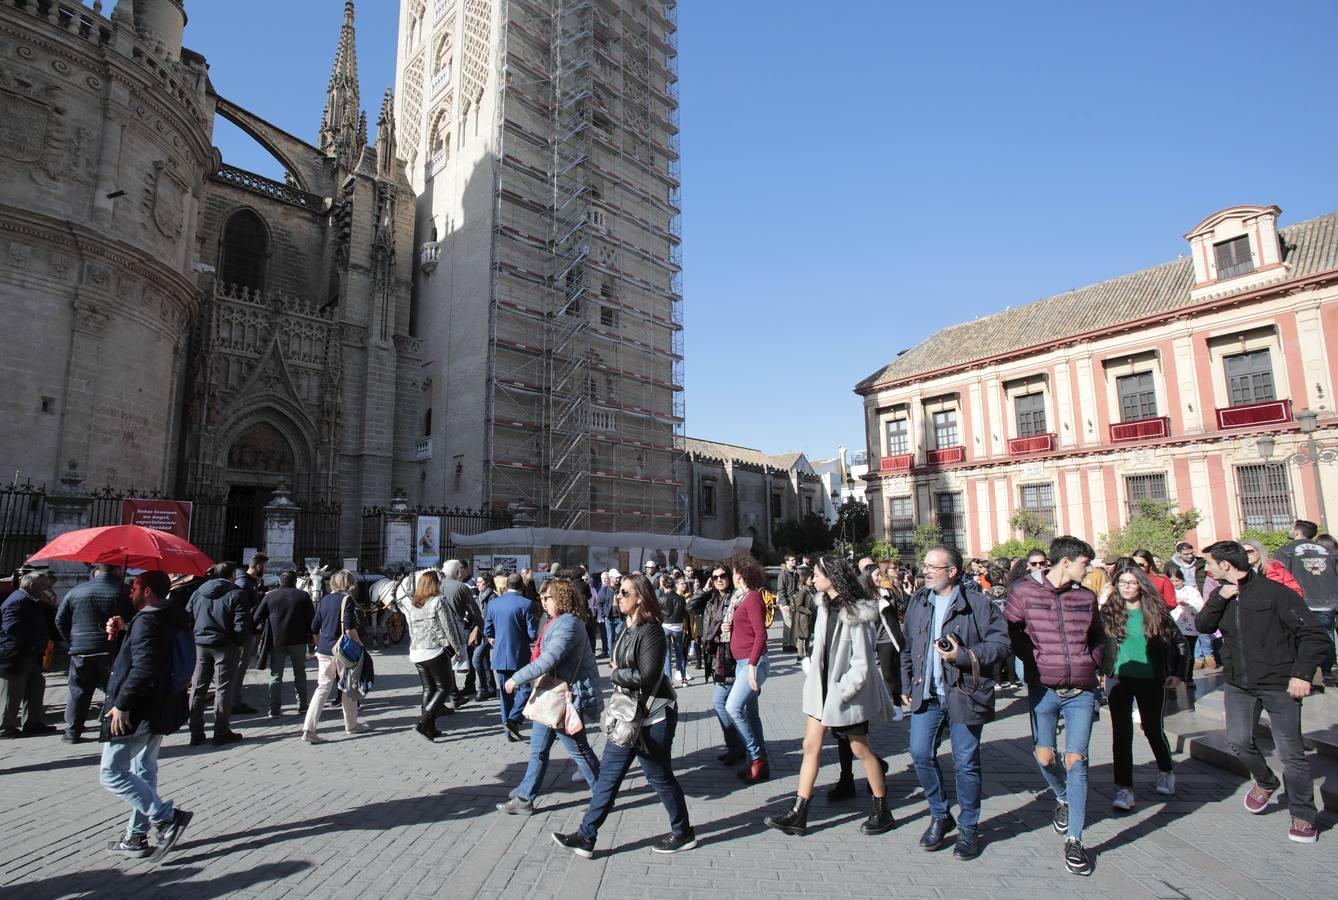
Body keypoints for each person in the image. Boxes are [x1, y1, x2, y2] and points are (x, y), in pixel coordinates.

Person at [552, 572, 696, 858]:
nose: (618, 597)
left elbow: (649, 675)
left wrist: (618, 672)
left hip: (654, 716)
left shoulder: (651, 630)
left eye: (624, 593)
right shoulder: (627, 627)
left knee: (659, 777)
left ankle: (683, 832)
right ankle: (586, 836)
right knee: (608, 776)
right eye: (618, 592)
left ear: (640, 597)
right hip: (627, 716)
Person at [1196, 540, 1327, 844]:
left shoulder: (1276, 594)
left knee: (1291, 753)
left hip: (1280, 684)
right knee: (1239, 740)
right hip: (1239, 684)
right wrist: (1219, 599)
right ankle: (1266, 781)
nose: (1207, 569)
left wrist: (1301, 674)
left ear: (1225, 565)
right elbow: (1204, 625)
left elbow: (1314, 635)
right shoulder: (1222, 593)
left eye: (1210, 564)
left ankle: (1304, 815)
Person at [765, 555, 897, 837]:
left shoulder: (856, 613)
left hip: (845, 695)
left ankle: (881, 808)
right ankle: (798, 812)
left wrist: (841, 692)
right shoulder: (824, 607)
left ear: (832, 577)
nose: (812, 579)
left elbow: (862, 665)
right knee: (810, 746)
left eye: (816, 574)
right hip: (821, 691)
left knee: (860, 749)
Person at [902, 545, 1010, 862]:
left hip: (964, 691)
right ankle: (940, 813)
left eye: (933, 567)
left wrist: (962, 656)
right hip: (928, 692)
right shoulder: (919, 602)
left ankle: (968, 826)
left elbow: (1002, 644)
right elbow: (907, 647)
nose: (926, 571)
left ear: (952, 571)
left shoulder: (977, 603)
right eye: (925, 565)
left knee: (966, 763)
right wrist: (907, 683)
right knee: (920, 753)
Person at [1006, 535, 1103, 876]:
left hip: (1081, 689)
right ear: (1066, 562)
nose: (1087, 569)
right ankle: (1062, 795)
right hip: (1043, 689)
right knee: (1044, 756)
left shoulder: (1086, 597)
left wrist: (1092, 662)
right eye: (1084, 563)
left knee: (1076, 760)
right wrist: (1032, 659)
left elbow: (1099, 636)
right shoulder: (1024, 592)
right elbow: (1012, 629)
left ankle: (1075, 839)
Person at [98, 570, 193, 860]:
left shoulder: (148, 620)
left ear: (148, 591)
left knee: (111, 773)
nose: (130, 592)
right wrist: (126, 630)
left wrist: (123, 703)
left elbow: (144, 667)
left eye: (135, 587)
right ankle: (135, 837)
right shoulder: (170, 615)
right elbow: (155, 652)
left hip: (136, 709)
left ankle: (165, 817)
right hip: (162, 703)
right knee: (143, 770)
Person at [498, 578, 603, 814]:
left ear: (562, 598)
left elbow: (549, 659)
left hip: (566, 698)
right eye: (542, 598)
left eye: (548, 598)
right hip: (551, 695)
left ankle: (602, 795)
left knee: (579, 749)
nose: (543, 602)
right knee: (538, 749)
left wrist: (517, 678)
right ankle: (526, 796)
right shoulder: (557, 621)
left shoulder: (569, 624)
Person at [1101, 565, 1186, 811]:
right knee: (1122, 733)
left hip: (1151, 678)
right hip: (1118, 678)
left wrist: (1178, 673)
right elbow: (1097, 643)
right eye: (1122, 582)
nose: (1126, 587)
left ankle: (1166, 770)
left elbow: (1180, 643)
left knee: (1152, 728)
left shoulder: (1156, 612)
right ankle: (1124, 788)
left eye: (1131, 582)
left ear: (1141, 585)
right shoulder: (1108, 612)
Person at [56, 564, 133, 743]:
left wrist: (71, 640)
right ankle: (111, 728)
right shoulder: (124, 592)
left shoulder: (76, 591)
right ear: (117, 571)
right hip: (112, 648)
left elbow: (60, 619)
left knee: (78, 690)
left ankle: (72, 732)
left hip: (81, 649)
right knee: (113, 688)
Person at [301, 569, 370, 743]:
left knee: (322, 688)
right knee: (348, 685)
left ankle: (308, 728)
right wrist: (360, 645)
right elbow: (349, 628)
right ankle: (351, 724)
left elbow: (314, 626)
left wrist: (318, 643)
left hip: (324, 650)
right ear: (349, 584)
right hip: (342, 651)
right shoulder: (347, 600)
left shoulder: (324, 600)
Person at [398, 569, 467, 741]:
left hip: (416, 651)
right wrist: (458, 649)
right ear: (434, 584)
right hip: (434, 650)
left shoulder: (414, 603)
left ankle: (431, 727)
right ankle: (423, 722)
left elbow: (411, 629)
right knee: (444, 687)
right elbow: (448, 626)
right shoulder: (438, 601)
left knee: (429, 688)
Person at [186, 562, 248, 747]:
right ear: (231, 575)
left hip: (200, 644)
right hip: (224, 645)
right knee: (223, 688)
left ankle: (195, 731)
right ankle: (221, 731)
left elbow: (188, 614)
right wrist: (238, 642)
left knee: (198, 686)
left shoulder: (198, 591)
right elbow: (241, 624)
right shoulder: (236, 593)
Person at [690, 565, 746, 763]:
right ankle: (739, 746)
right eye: (715, 577)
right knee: (731, 706)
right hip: (715, 657)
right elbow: (689, 607)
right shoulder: (711, 597)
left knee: (721, 703)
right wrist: (704, 590)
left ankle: (739, 746)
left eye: (723, 576)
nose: (720, 580)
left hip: (729, 657)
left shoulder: (734, 598)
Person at [725, 555, 771, 783]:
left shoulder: (752, 598)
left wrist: (752, 666)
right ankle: (759, 762)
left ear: (740, 574)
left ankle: (756, 757)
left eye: (733, 573)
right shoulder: (740, 599)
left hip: (752, 663)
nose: (731, 577)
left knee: (732, 707)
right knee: (751, 715)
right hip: (742, 662)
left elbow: (761, 633)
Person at [1275, 520, 1338, 682]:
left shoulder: (1286, 551)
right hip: (1328, 601)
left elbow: (1281, 577)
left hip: (1301, 602)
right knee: (1326, 635)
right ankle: (1327, 672)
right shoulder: (1328, 551)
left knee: (1301, 638)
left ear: (1297, 531)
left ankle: (1305, 674)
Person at [0, 570, 56, 738]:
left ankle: (33, 723)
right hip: (17, 655)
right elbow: (12, 627)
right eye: (43, 586)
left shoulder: (31, 600)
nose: (46, 589)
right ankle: (5, 727)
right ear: (32, 586)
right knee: (12, 692)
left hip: (32, 654)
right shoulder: (17, 601)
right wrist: (31, 643)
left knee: (35, 686)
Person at [253, 569, 315, 718]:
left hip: (277, 641)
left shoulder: (271, 596)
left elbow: (256, 617)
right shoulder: (303, 596)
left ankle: (274, 708)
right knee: (300, 672)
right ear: (295, 582)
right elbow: (312, 620)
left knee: (276, 675)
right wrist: (312, 637)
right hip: (298, 641)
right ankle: (302, 705)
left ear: (280, 582)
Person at [484, 573, 539, 742]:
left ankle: (509, 731)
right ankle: (513, 720)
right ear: (521, 586)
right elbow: (531, 634)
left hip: (499, 655)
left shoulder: (493, 604)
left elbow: (487, 630)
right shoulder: (527, 603)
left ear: (507, 585)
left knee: (505, 695)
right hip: (520, 654)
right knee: (525, 689)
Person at [442, 560, 486, 704]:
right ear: (457, 572)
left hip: (440, 632)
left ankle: (453, 693)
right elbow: (475, 612)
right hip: (457, 630)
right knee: (461, 659)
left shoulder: (438, 586)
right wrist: (484, 629)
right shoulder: (461, 587)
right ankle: (457, 693)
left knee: (446, 663)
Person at [230, 552, 267, 714]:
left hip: (247, 630)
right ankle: (233, 702)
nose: (265, 569)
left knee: (242, 667)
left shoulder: (249, 582)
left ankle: (235, 699)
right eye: (265, 566)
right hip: (244, 631)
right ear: (259, 566)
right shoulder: (244, 584)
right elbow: (242, 609)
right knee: (239, 667)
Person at [792, 567, 816, 661]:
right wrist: (808, 611)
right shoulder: (802, 592)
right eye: (810, 579)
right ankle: (800, 656)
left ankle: (806, 655)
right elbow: (798, 606)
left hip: (809, 618)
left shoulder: (811, 590)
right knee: (802, 637)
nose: (812, 580)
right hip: (803, 618)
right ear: (805, 580)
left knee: (807, 636)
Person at [777, 553, 799, 653]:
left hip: (794, 602)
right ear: (787, 562)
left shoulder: (795, 573)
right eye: (792, 560)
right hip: (785, 602)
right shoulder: (783, 574)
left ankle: (792, 644)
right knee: (788, 623)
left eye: (794, 560)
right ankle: (786, 645)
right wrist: (784, 603)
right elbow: (780, 590)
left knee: (794, 623)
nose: (794, 562)